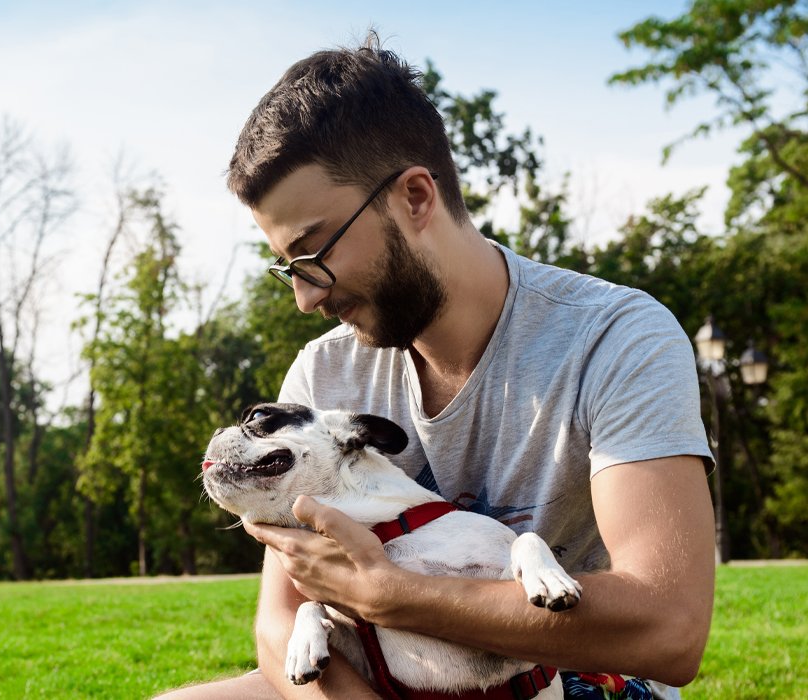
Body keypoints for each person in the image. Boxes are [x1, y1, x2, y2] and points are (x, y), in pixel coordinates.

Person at [157, 34, 715, 700]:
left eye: (313, 253)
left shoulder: (617, 338)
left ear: (416, 197)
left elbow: (670, 630)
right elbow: (281, 624)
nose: (306, 297)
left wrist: (397, 597)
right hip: (380, 673)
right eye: (288, 270)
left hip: (573, 680)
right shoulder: (322, 377)